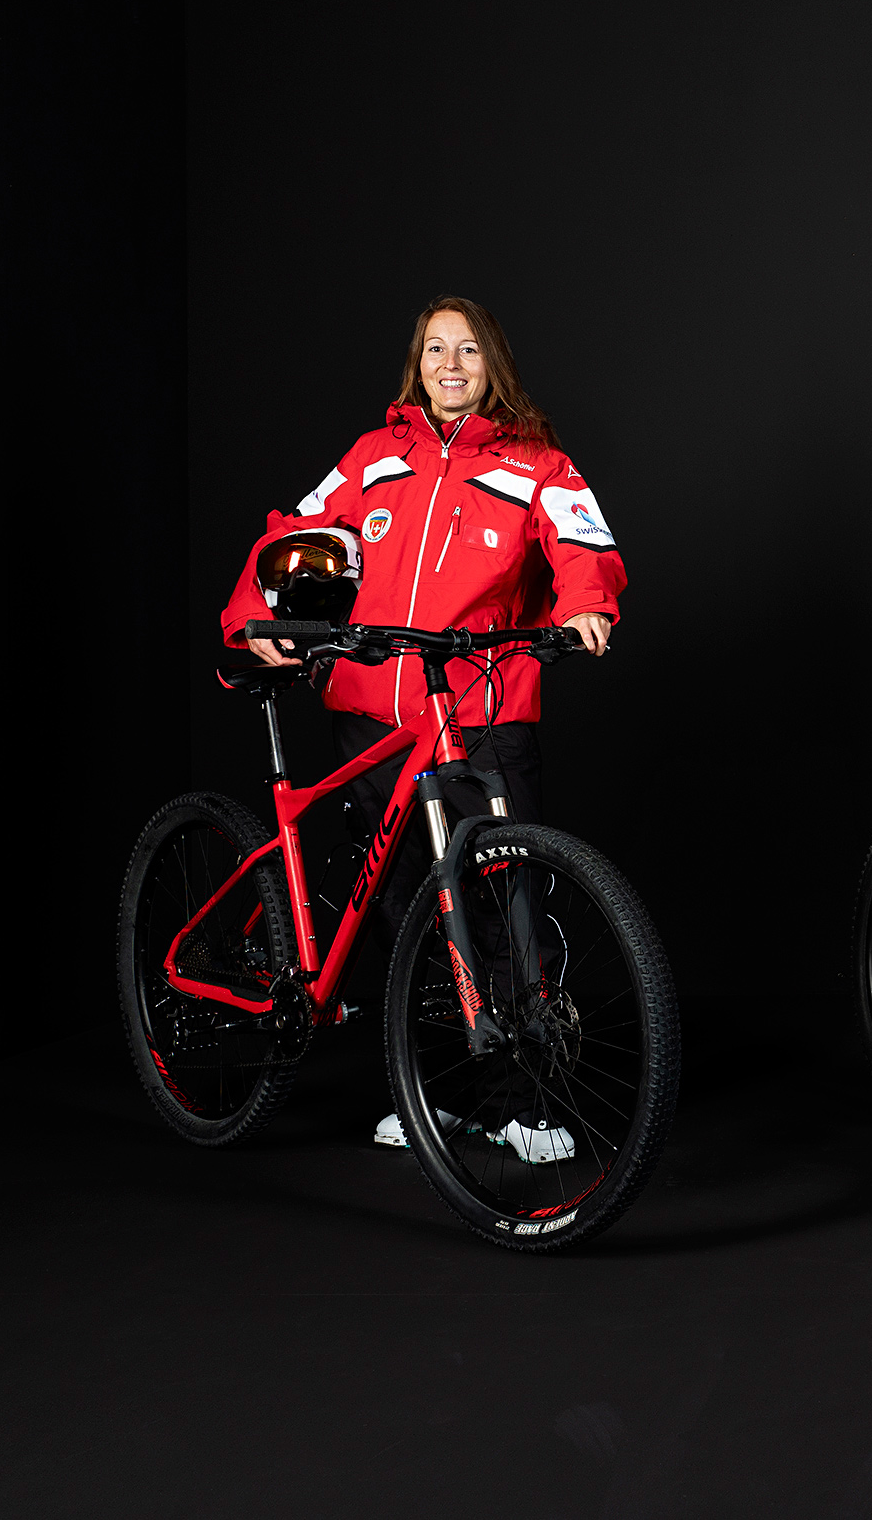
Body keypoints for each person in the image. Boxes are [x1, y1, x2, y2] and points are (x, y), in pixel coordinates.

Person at [220, 296, 626, 1160]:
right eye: (435, 350)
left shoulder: (539, 465)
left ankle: (526, 1101)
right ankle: (433, 1094)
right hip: (376, 717)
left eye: (467, 350)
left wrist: (587, 605)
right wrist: (251, 624)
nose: (450, 365)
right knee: (409, 912)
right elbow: (294, 531)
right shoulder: (375, 457)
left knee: (505, 910)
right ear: (418, 365)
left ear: (492, 365)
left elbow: (584, 549)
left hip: (482, 713)